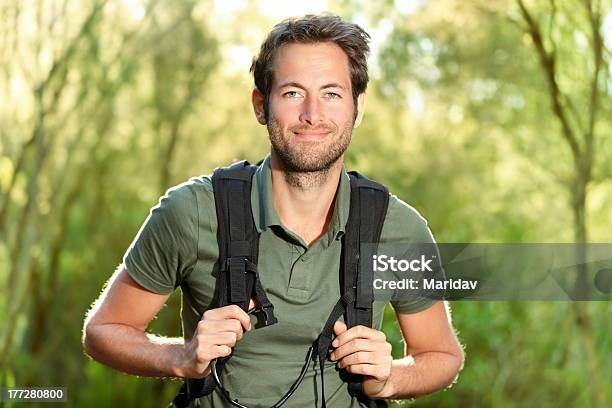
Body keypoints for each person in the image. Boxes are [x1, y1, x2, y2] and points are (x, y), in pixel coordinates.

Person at [82, 14, 464, 407]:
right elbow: (104, 331)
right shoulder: (193, 211)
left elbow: (442, 356)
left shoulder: (397, 228)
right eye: (293, 93)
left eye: (331, 93)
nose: (312, 114)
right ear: (261, 105)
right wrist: (180, 357)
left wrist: (389, 381)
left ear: (357, 108)